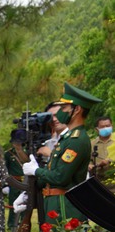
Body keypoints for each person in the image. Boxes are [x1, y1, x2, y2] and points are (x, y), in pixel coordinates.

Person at [20, 82, 102, 224]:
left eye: (64, 108)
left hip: (65, 208)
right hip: (56, 204)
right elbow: (52, 172)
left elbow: (60, 178)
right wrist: (27, 192)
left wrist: (36, 171)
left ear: (76, 110)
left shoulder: (77, 140)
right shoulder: (67, 138)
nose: (59, 112)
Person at [3, 129, 27, 229]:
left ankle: (24, 223)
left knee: (25, 203)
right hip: (14, 182)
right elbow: (5, 170)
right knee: (13, 202)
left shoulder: (27, 152)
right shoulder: (8, 154)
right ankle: (12, 224)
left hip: (26, 181)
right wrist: (6, 184)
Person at [90, 115, 113, 184]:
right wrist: (90, 166)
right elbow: (87, 161)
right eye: (102, 127)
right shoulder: (92, 144)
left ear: (112, 126)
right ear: (97, 129)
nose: (106, 128)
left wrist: (110, 160)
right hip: (100, 181)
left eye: (108, 126)